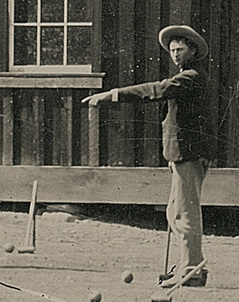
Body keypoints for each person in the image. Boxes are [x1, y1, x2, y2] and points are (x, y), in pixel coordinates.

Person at [82, 25, 212, 287]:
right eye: (172, 50)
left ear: (193, 51)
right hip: (181, 153)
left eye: (180, 50)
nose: (175, 55)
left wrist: (113, 95)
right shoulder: (187, 76)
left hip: (188, 153)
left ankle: (192, 271)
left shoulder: (191, 77)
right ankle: (187, 267)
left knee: (184, 215)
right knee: (174, 212)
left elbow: (157, 90)